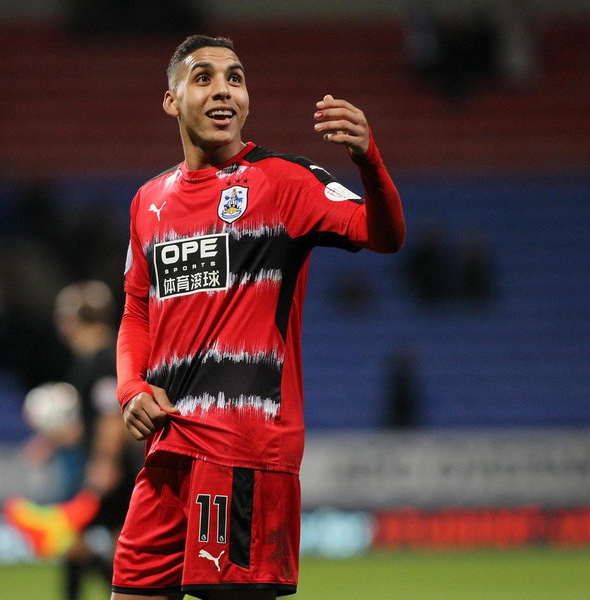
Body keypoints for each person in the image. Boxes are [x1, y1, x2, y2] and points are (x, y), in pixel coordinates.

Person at [113, 35, 406, 600]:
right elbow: (135, 309)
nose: (224, 90)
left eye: (236, 78)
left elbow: (383, 234)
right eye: (204, 78)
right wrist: (130, 389)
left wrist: (369, 159)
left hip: (243, 449)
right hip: (169, 449)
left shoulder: (286, 182)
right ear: (172, 101)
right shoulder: (148, 201)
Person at [4, 280, 141, 600]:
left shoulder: (106, 358)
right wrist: (50, 442)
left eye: (62, 316)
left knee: (83, 540)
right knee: (96, 544)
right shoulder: (90, 360)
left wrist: (104, 463)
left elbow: (111, 417)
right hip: (106, 464)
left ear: (75, 319)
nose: (58, 323)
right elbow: (91, 420)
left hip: (112, 468)